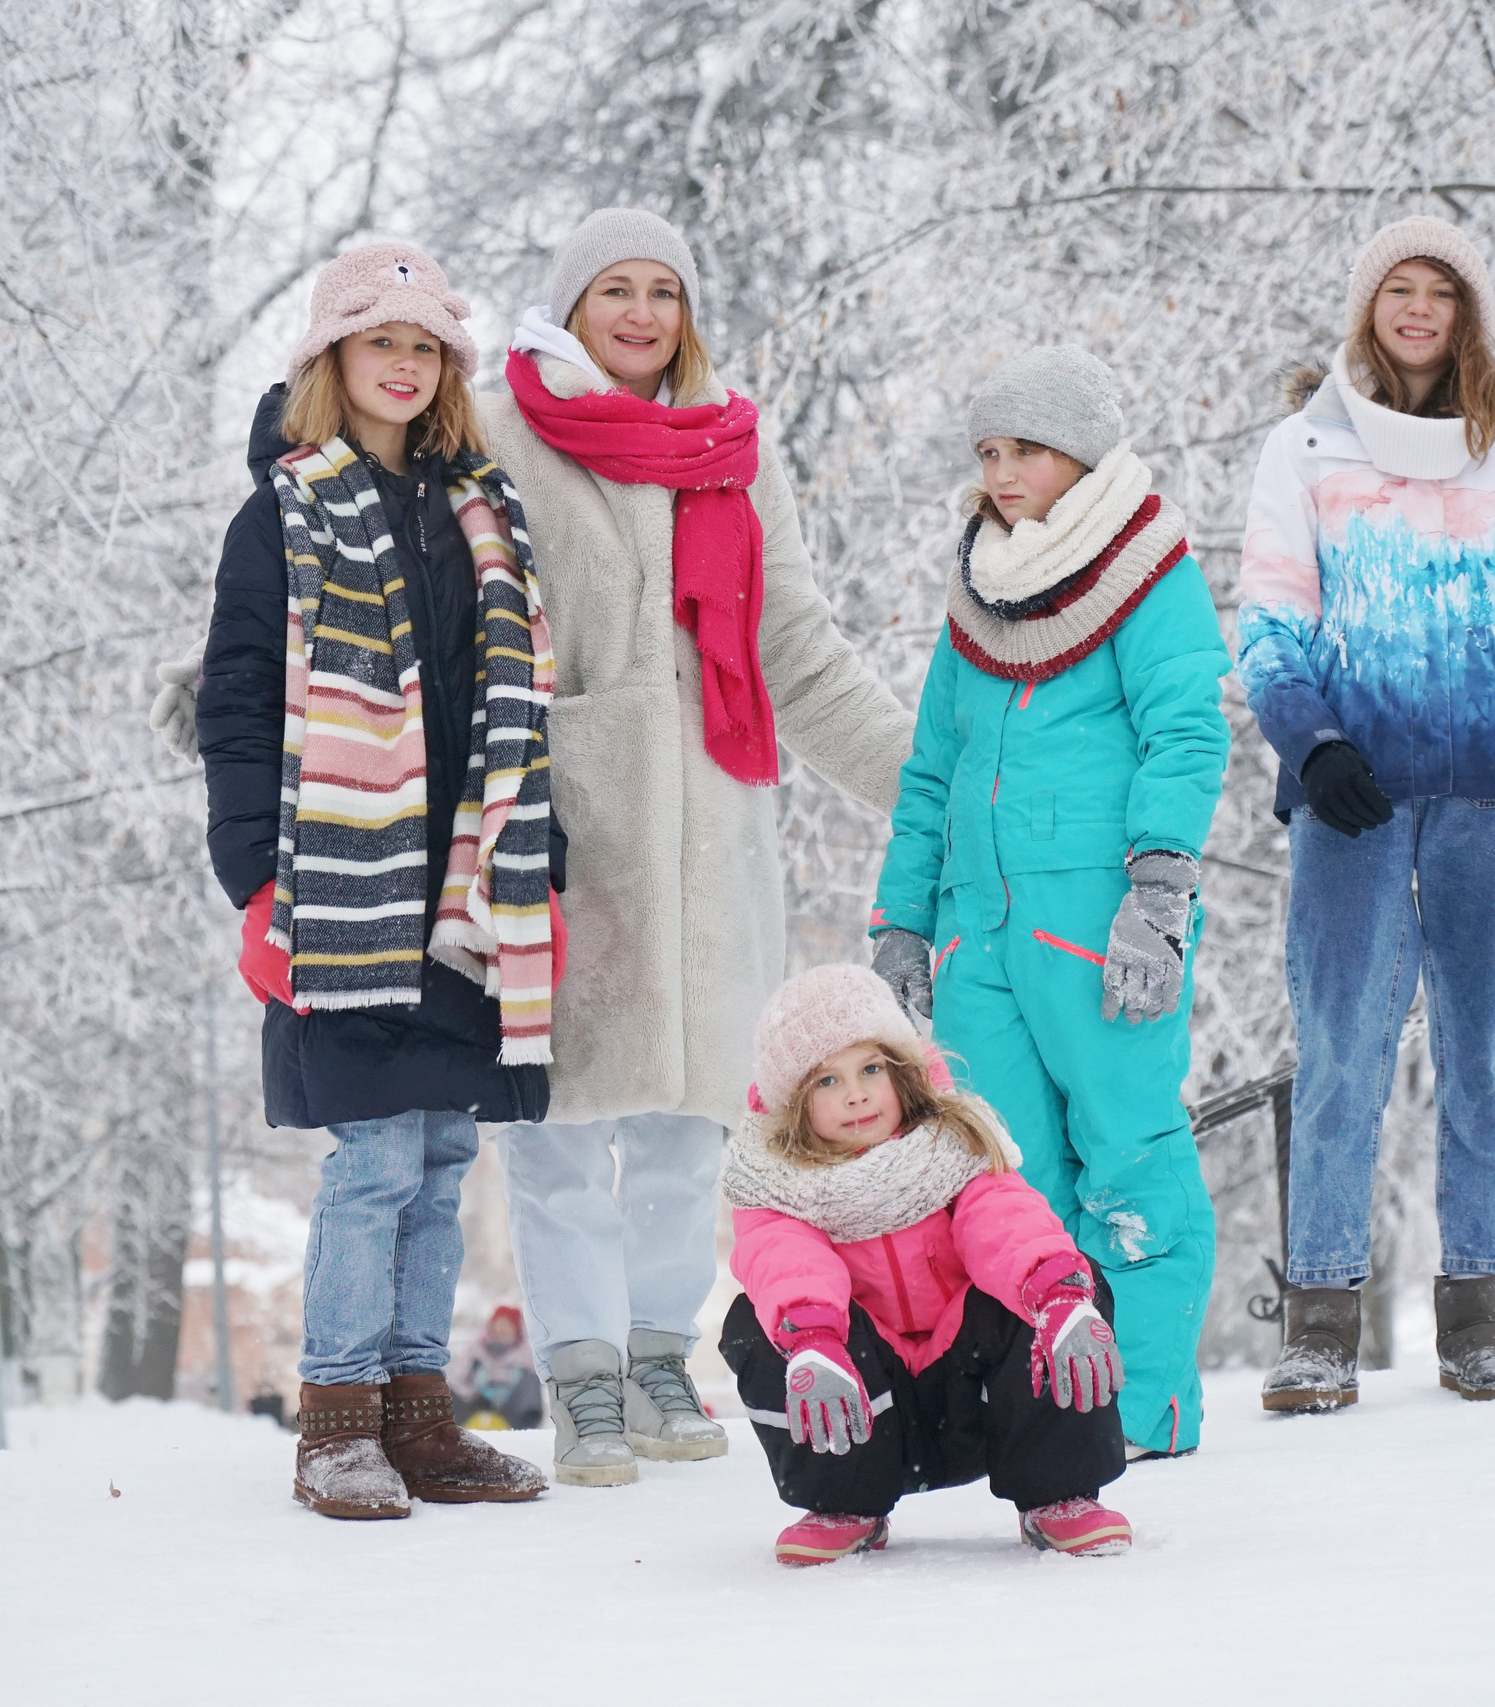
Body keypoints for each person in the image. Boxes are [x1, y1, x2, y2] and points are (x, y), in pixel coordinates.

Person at [480, 209, 915, 1487]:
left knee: (688, 1126)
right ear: (567, 311)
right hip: (565, 823)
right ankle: (581, 1374)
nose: (638, 314)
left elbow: (800, 650)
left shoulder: (733, 443)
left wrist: (935, 785)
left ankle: (664, 1354)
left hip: (718, 830)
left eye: (660, 292)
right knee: (557, 1119)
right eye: (610, 290)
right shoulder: (501, 436)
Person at [195, 243, 554, 1518]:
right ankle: (336, 1421)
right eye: (376, 342)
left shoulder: (485, 513)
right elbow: (234, 704)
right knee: (373, 1159)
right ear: (329, 362)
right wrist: (253, 880)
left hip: (466, 881)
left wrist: (538, 866)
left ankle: (421, 1417)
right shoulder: (282, 515)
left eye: (424, 347)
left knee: (447, 1153)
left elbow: (520, 707)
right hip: (343, 881)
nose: (401, 365)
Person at [1235, 215, 1495, 1411]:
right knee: (1343, 1048)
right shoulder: (1303, 447)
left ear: (1465, 315)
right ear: (1367, 307)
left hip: (1494, 782)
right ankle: (1322, 1318)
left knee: (1484, 1051)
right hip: (1352, 790)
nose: (1414, 310)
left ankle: (1477, 1309)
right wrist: (1313, 737)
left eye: (1436, 293)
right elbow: (1270, 617)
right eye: (1394, 290)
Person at [867, 347, 1231, 1459]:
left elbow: (1186, 730)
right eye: (987, 452)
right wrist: (902, 924)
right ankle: (1047, 1419)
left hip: (1098, 921)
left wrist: (1157, 893)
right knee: (1005, 1180)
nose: (1002, 470)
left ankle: (1148, 1406)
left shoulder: (1149, 573)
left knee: (1126, 1155)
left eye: (1023, 448)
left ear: (1081, 455)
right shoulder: (978, 595)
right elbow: (932, 769)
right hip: (979, 932)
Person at [717, 964, 1134, 1564]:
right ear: (792, 1103)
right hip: (866, 1402)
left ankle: (1058, 1491)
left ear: (902, 1071)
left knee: (1064, 1283)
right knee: (763, 1325)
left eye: (870, 1070)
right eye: (827, 1082)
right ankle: (844, 1502)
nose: (856, 1094)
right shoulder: (774, 1181)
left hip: (979, 1394)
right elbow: (785, 1259)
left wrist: (1056, 1294)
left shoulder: (952, 1143)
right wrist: (812, 1339)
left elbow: (1001, 1219)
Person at [454, 1305, 546, 1431]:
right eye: (498, 1324)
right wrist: (474, 1397)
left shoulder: (526, 1355)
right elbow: (458, 1380)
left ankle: (526, 1430)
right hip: (474, 1406)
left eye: (507, 1325)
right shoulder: (474, 1350)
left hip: (509, 1411)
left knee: (531, 1380)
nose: (501, 1329)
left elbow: (531, 1390)